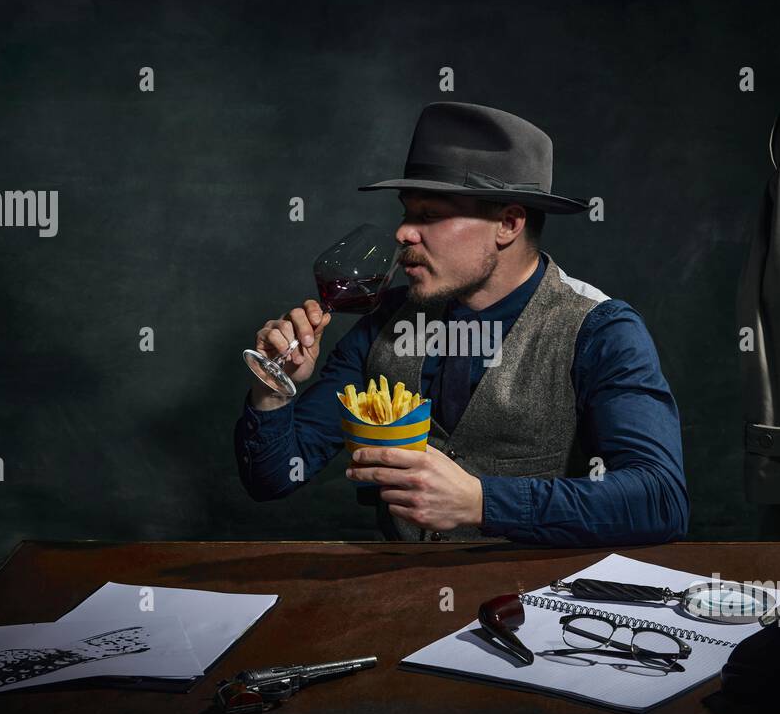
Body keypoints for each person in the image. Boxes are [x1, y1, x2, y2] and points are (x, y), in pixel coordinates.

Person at [234, 101, 688, 545]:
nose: (403, 233)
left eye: (430, 215)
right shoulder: (384, 319)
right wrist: (274, 392)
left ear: (508, 223)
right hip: (401, 591)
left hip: (536, 603)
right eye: (407, 212)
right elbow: (271, 479)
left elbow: (661, 501)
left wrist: (482, 502)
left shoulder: (600, 329)